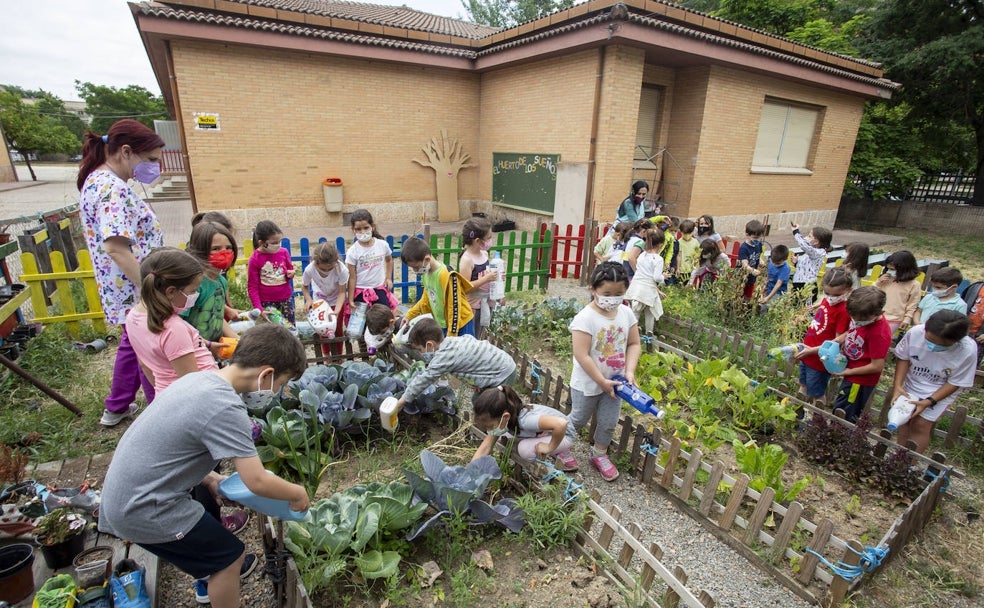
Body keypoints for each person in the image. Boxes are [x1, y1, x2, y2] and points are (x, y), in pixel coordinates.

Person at [98, 324, 310, 608]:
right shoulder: (225, 406)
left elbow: (171, 451)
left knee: (218, 552)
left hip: (126, 494)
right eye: (281, 384)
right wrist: (297, 494)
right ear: (266, 374)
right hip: (143, 507)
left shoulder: (199, 380)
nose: (278, 391)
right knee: (228, 558)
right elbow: (256, 480)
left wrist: (209, 478)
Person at [77, 119, 165, 426]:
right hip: (133, 286)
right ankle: (162, 417)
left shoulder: (100, 180)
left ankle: (116, 407)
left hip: (124, 286)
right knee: (150, 350)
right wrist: (151, 288)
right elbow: (116, 247)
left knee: (133, 342)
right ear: (126, 151)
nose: (155, 167)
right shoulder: (111, 188)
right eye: (151, 160)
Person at [569, 262, 641, 482]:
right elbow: (582, 355)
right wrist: (601, 381)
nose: (613, 298)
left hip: (616, 382)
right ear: (593, 289)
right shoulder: (585, 318)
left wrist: (629, 371)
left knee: (609, 422)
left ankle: (599, 454)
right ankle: (562, 446)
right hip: (588, 382)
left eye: (619, 293)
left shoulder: (626, 313)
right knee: (579, 418)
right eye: (607, 293)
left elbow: (634, 344)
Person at [124, 248, 219, 392]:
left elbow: (145, 364)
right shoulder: (173, 328)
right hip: (199, 398)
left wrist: (205, 344)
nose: (196, 295)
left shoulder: (133, 317)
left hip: (167, 395)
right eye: (192, 291)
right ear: (171, 292)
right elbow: (193, 386)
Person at [893, 310, 977, 453]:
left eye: (938, 344)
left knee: (921, 424)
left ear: (955, 341)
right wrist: (898, 386)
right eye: (928, 339)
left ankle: (910, 463)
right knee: (904, 418)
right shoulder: (915, 333)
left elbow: (956, 382)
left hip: (940, 388)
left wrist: (929, 401)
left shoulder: (967, 350)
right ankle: (899, 455)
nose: (930, 345)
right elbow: (904, 358)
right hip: (913, 381)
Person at [393, 317, 516, 413]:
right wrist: (481, 381)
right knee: (477, 400)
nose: (420, 353)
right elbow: (474, 356)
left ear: (430, 345)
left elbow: (424, 379)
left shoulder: (443, 357)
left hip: (502, 373)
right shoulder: (451, 341)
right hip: (500, 364)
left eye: (420, 349)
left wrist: (402, 401)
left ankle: (501, 427)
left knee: (490, 406)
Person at [471, 385, 578, 471]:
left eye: (490, 426)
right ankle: (544, 444)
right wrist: (469, 472)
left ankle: (549, 464)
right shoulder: (509, 416)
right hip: (543, 431)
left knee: (524, 449)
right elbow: (485, 447)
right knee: (500, 437)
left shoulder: (526, 420)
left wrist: (549, 447)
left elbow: (561, 424)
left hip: (564, 434)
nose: (489, 430)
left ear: (505, 417)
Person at [794, 267, 853, 406]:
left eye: (836, 294)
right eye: (827, 293)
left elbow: (836, 343)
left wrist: (812, 351)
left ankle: (814, 418)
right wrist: (816, 306)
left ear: (848, 290)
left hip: (819, 359)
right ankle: (798, 410)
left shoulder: (844, 310)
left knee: (817, 393)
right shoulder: (828, 300)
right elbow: (825, 303)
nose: (831, 297)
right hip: (807, 352)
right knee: (803, 384)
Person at [832, 286, 892, 422]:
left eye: (860, 320)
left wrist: (847, 372)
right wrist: (842, 337)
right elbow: (856, 330)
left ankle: (839, 438)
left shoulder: (879, 333)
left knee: (846, 411)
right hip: (851, 373)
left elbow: (876, 366)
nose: (856, 322)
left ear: (880, 312)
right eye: (853, 318)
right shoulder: (861, 317)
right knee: (841, 405)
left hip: (859, 381)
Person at [401, 237, 475, 336]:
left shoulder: (446, 275)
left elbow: (454, 307)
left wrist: (452, 335)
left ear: (426, 259)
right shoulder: (426, 274)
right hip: (443, 325)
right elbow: (426, 300)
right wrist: (409, 315)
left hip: (460, 325)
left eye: (416, 267)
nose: (415, 271)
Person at [182, 220, 239, 344]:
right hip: (195, 350)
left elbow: (216, 315)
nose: (224, 252)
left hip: (216, 350)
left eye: (228, 248)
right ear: (200, 250)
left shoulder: (221, 281)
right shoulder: (194, 285)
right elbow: (179, 323)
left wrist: (238, 340)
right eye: (216, 249)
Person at [301, 242, 350, 355]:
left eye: (330, 268)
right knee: (322, 329)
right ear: (317, 263)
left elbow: (342, 292)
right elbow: (304, 286)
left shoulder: (341, 269)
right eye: (324, 269)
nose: (327, 271)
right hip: (319, 301)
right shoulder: (310, 269)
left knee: (337, 328)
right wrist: (309, 300)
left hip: (336, 300)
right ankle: (326, 354)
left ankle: (339, 354)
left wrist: (337, 311)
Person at [346, 209, 398, 312]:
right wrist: (351, 299)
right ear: (353, 230)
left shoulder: (382, 245)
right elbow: (352, 278)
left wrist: (388, 278)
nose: (363, 232)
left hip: (379, 289)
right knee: (362, 322)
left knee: (383, 318)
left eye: (366, 228)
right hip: (361, 292)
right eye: (358, 229)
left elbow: (389, 260)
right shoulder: (352, 251)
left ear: (372, 227)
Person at [247, 220, 296, 324]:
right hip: (267, 304)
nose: (277, 245)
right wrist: (259, 308)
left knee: (290, 329)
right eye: (274, 243)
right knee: (273, 333)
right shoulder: (255, 259)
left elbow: (289, 270)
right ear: (261, 243)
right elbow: (252, 287)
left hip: (286, 300)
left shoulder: (284, 252)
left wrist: (290, 274)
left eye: (279, 241)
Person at [458, 218, 498, 335]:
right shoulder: (467, 260)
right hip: (473, 306)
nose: (490, 241)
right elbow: (465, 288)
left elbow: (486, 274)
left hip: (486, 302)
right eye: (488, 238)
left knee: (480, 333)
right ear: (477, 241)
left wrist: (497, 277)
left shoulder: (484, 254)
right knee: (472, 335)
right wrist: (487, 278)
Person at [624, 228, 666, 333]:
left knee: (635, 311)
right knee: (650, 313)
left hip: (637, 287)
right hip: (648, 290)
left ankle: (629, 333)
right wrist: (663, 277)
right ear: (660, 244)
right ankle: (649, 334)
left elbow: (641, 272)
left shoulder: (642, 255)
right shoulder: (658, 259)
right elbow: (656, 277)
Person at [874, 250, 921, 337]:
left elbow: (912, 304)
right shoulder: (885, 280)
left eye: (892, 269)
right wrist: (878, 283)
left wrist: (907, 318)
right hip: (875, 315)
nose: (889, 271)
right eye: (888, 268)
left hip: (894, 319)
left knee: (883, 339)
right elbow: (870, 292)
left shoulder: (914, 284)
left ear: (905, 269)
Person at [790, 223, 832, 303]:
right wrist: (796, 262)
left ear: (816, 241)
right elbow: (807, 267)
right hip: (799, 283)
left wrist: (796, 232)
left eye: (809, 236)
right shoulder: (812, 250)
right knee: (795, 305)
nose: (806, 237)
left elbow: (804, 246)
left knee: (805, 308)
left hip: (807, 285)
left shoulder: (819, 252)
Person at [737, 220, 765, 300]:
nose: (756, 240)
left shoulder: (758, 244)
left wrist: (760, 261)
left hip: (752, 277)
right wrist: (752, 270)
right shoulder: (744, 248)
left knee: (748, 295)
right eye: (754, 237)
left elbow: (758, 256)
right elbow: (744, 264)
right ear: (747, 234)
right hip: (742, 277)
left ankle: (746, 306)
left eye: (758, 238)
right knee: (740, 295)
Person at [759, 244, 790, 313]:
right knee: (763, 308)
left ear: (785, 259)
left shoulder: (785, 268)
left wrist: (768, 297)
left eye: (778, 263)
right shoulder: (771, 261)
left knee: (773, 310)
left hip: (778, 293)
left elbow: (778, 284)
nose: (775, 265)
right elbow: (768, 275)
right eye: (773, 262)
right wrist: (765, 285)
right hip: (768, 289)